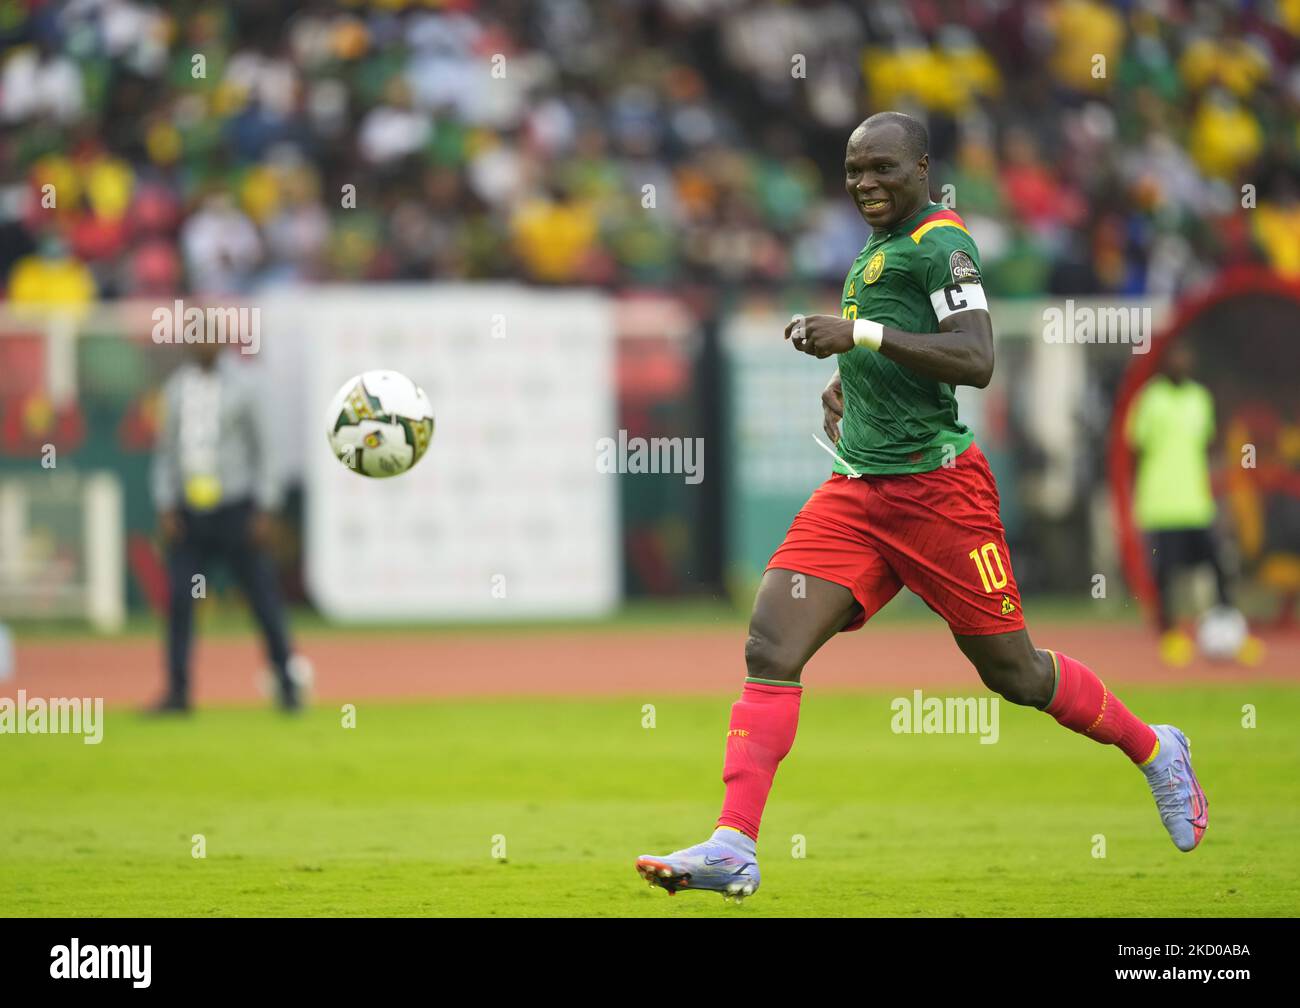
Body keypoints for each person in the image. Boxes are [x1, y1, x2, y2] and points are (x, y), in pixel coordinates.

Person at [635, 112, 1207, 901]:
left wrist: (860, 338)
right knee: (771, 642)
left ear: (922, 169)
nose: (866, 183)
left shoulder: (942, 243)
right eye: (853, 171)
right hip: (859, 490)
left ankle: (1155, 749)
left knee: (1015, 673)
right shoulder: (878, 247)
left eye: (882, 169)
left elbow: (975, 357)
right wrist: (854, 382)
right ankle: (735, 844)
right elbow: (904, 345)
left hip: (940, 496)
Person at [149, 340, 301, 713]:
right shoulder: (176, 388)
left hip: (236, 510)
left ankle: (287, 683)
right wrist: (166, 503)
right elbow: (165, 451)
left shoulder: (245, 386)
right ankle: (178, 691)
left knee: (262, 598)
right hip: (191, 514)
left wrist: (264, 507)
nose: (202, 344)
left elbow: (264, 449)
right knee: (182, 601)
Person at [1127, 342, 1258, 666]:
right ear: (1165, 362)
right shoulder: (1149, 400)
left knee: (1218, 567)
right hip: (1160, 505)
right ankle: (1170, 635)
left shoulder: (1200, 399)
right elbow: (1135, 448)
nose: (1182, 360)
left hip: (1197, 503)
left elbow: (1208, 448)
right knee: (1167, 575)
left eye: (1186, 354)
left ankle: (1233, 633)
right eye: (1176, 355)